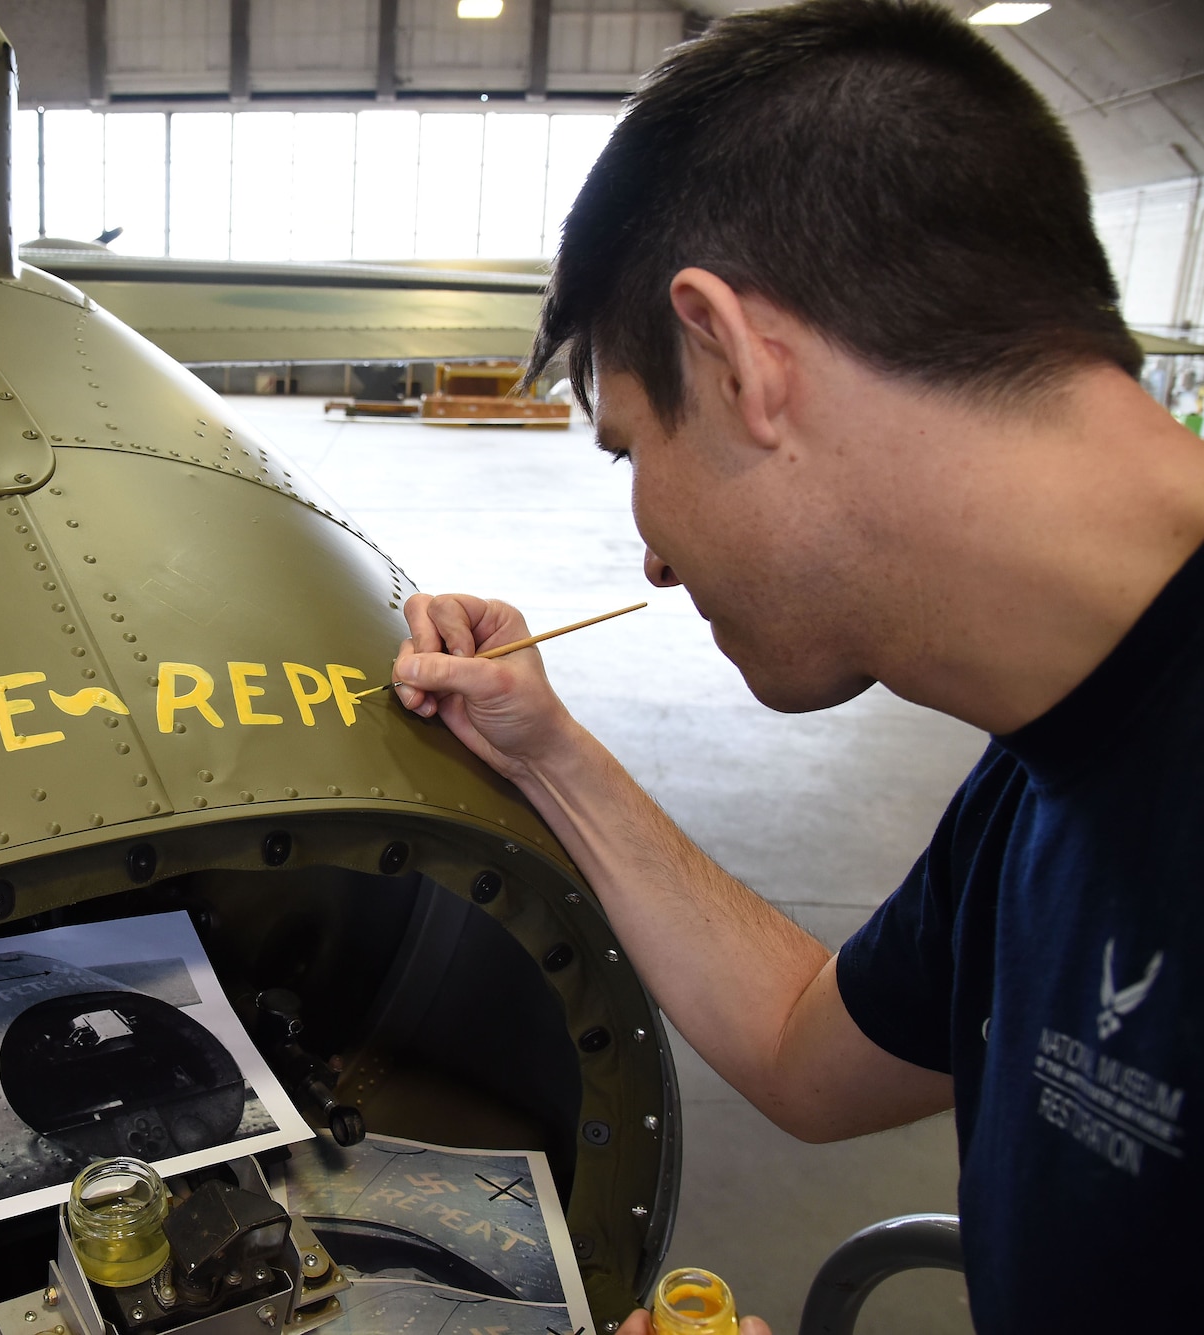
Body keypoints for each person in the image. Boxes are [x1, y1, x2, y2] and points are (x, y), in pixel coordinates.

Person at [390, 1, 1202, 1330]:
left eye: (629, 447)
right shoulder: (1048, 777)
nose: (650, 554)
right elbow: (801, 1050)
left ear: (734, 357)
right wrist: (548, 749)